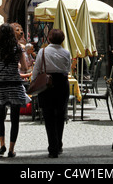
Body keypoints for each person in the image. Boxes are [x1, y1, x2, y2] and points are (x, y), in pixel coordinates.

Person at [0, 23, 29, 158]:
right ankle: (11, 149)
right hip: (15, 85)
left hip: (0, 86)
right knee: (15, 119)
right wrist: (17, 63)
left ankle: (2, 144)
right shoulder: (17, 48)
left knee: (0, 117)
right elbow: (25, 68)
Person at [31, 28, 71, 158]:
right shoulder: (66, 53)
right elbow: (67, 69)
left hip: (47, 84)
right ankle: (58, 144)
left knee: (48, 117)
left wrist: (33, 83)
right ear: (62, 40)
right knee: (60, 115)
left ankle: (52, 147)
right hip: (62, 84)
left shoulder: (42, 51)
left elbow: (36, 69)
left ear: (49, 39)